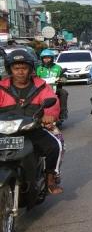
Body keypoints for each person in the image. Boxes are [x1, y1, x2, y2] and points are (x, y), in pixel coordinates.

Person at [0, 50, 63, 194]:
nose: (20, 72)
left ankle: (50, 178)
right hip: (4, 131)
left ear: (30, 69)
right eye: (16, 68)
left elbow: (52, 102)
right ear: (10, 69)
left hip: (32, 129)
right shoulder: (2, 86)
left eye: (24, 68)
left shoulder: (40, 85)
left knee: (56, 145)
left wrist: (49, 115)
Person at [36, 49, 69, 120]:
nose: (46, 60)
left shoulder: (58, 67)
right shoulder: (39, 69)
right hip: (42, 90)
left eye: (48, 57)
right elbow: (35, 78)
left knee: (64, 92)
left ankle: (63, 112)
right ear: (42, 59)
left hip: (55, 89)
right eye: (44, 58)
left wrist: (62, 80)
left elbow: (64, 77)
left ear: (52, 58)